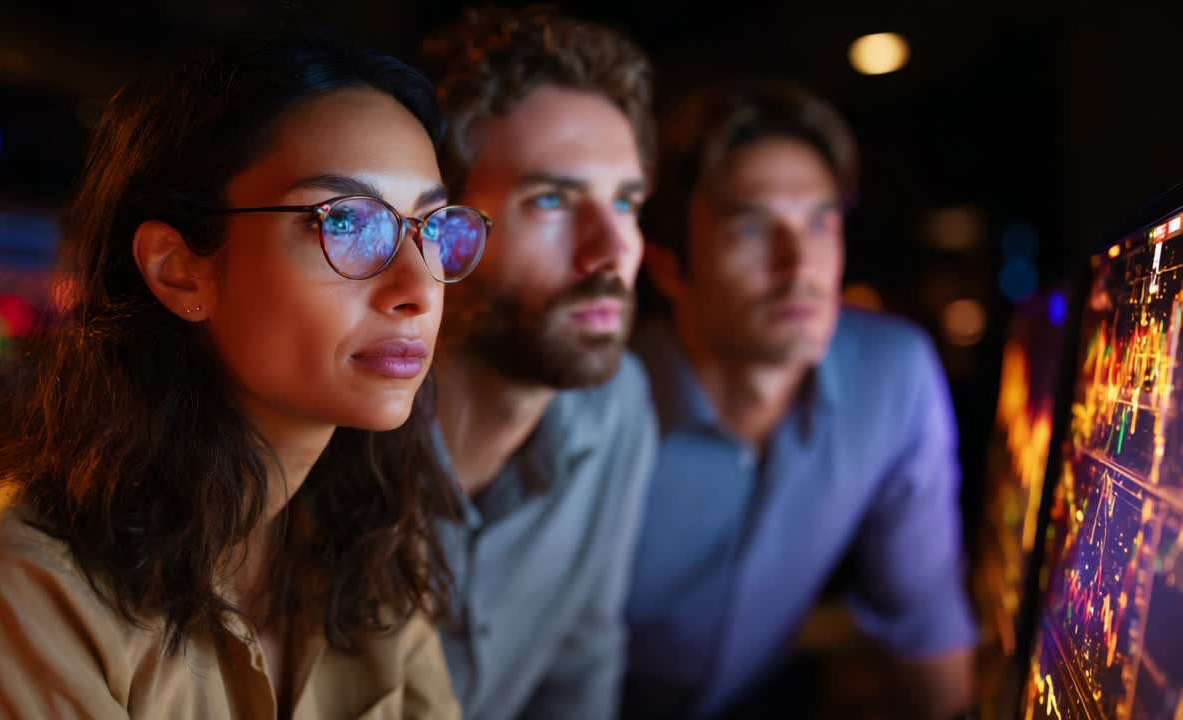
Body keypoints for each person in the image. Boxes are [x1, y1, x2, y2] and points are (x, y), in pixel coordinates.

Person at [0, 28, 492, 719]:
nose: (417, 288)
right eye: (346, 225)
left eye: (432, 228)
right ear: (177, 268)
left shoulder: (365, 541)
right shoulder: (19, 576)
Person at [623, 79, 977, 719]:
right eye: (753, 228)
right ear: (669, 265)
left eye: (820, 222)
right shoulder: (600, 402)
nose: (799, 266)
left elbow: (925, 626)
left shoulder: (892, 375)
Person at [417, 7, 657, 719]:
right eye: (551, 200)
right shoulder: (326, 427)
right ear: (445, 231)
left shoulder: (618, 405)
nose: (611, 252)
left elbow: (581, 668)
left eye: (627, 202)